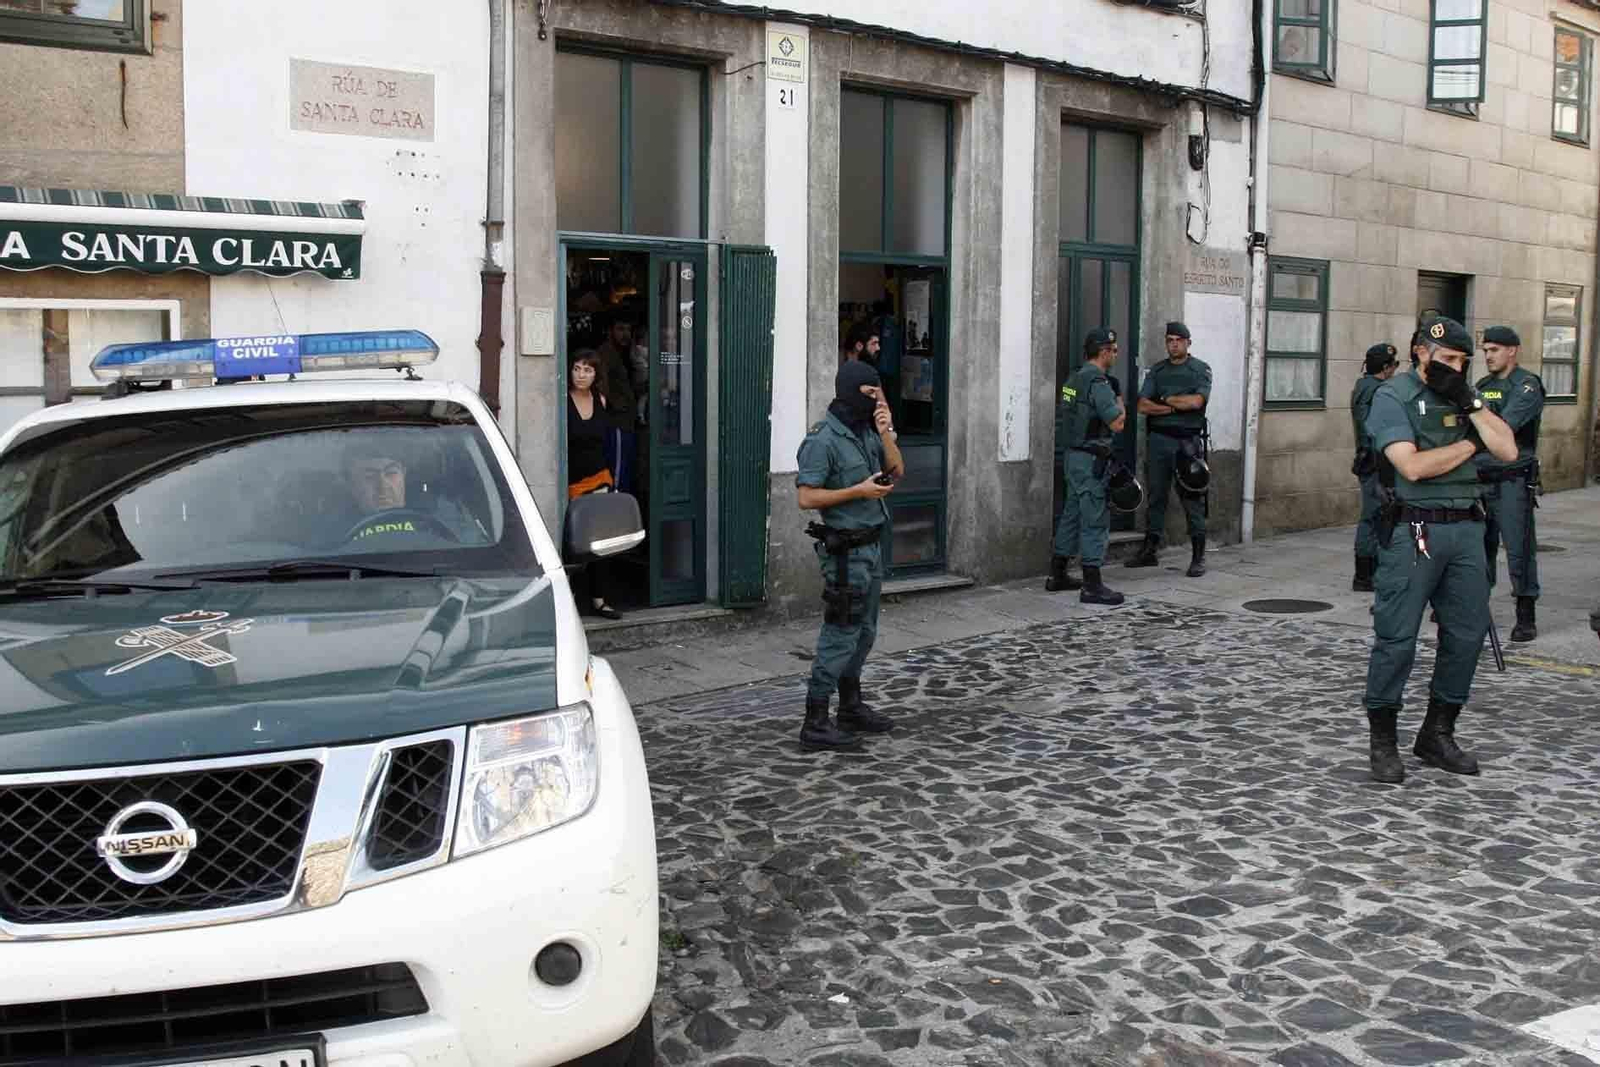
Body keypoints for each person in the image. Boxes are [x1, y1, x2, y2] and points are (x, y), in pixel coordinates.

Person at [1361, 315, 1518, 784]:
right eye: (1447, 358)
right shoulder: (1393, 395)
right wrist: (1470, 447)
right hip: (1415, 530)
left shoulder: (1467, 397)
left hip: (1467, 528)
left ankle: (1437, 733)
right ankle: (1383, 739)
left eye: (1463, 361)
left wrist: (1471, 403)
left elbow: (1507, 450)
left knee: (1466, 636)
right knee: (1397, 639)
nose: (1455, 367)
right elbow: (1412, 466)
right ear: (1420, 353)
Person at [795, 361, 903, 751]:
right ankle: (815, 719)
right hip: (845, 552)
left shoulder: (866, 431)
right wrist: (858, 491)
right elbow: (806, 497)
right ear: (850, 391)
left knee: (865, 631)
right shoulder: (822, 440)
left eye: (878, 393)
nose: (876, 400)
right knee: (841, 632)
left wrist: (886, 431)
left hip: (871, 545)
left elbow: (897, 470)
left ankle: (850, 705)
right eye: (870, 394)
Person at [1046, 328, 1127, 605]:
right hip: (1092, 459)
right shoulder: (1099, 382)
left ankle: (1057, 573)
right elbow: (1117, 423)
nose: (1115, 355)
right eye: (1114, 350)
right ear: (1104, 352)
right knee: (1095, 518)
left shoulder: (1073, 378)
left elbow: (1069, 410)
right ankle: (1092, 585)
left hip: (1073, 457)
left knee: (1071, 513)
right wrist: (1119, 399)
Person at [1475, 326, 1545, 642]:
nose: (1488, 356)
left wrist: (1481, 417)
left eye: (1494, 350)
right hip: (1480, 478)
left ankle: (1525, 614)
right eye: (1486, 350)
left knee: (1519, 549)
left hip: (1512, 479)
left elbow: (1505, 426)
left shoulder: (1527, 385)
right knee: (1478, 549)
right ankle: (1475, 607)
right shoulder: (1483, 386)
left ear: (1512, 350)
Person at [1128, 321, 1212, 576]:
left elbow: (1196, 401)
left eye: (1178, 340)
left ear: (1188, 342)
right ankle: (1149, 550)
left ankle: (1198, 556)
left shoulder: (1199, 369)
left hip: (1187, 443)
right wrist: (1175, 407)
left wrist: (1164, 399)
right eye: (1169, 340)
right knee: (1156, 495)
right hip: (1159, 441)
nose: (1173, 345)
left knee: (1192, 497)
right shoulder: (1158, 371)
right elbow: (1142, 405)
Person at [566, 349, 623, 620]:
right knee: (573, 544)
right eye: (577, 368)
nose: (581, 375)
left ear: (595, 374)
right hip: (572, 485)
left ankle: (599, 600)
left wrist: (614, 482)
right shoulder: (563, 401)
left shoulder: (600, 400)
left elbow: (609, 443)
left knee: (601, 544)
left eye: (587, 370)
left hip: (600, 480)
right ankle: (569, 602)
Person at [1351, 342, 1400, 592]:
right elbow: (1375, 429)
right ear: (1385, 367)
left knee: (1373, 515)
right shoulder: (1379, 391)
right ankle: (1365, 574)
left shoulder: (1363, 386)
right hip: (1376, 461)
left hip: (1368, 459)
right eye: (1394, 365)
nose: (1395, 370)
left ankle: (1366, 572)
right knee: (1374, 517)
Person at [595, 318, 639, 426]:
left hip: (627, 415)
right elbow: (600, 381)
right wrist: (613, 402)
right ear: (610, 331)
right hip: (616, 417)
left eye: (628, 329)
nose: (626, 334)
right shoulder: (605, 352)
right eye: (621, 329)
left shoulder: (627, 352)